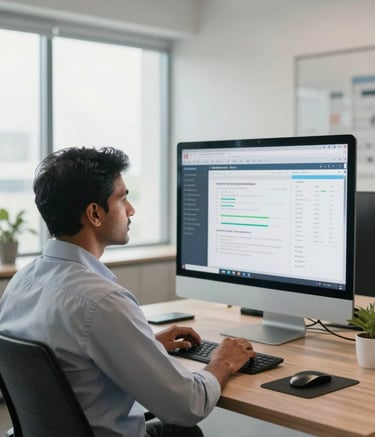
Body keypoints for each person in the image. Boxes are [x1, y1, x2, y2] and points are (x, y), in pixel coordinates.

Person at [0, 147, 256, 437]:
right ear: (94, 214)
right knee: (184, 431)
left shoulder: (21, 282)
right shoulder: (102, 302)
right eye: (122, 198)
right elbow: (188, 405)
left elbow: (67, 361)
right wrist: (222, 361)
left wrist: (142, 346)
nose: (131, 209)